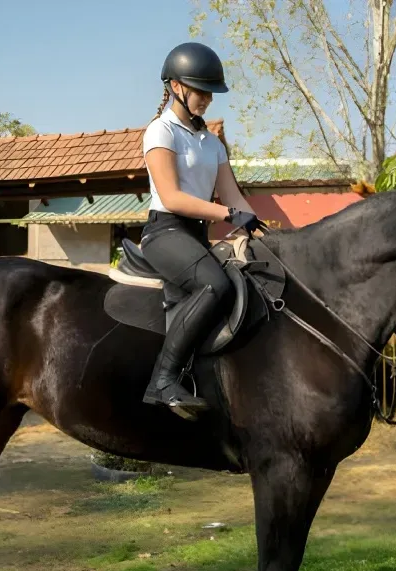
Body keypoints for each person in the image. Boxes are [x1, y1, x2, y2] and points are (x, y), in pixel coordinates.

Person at [140, 41, 263, 418]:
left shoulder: (211, 143)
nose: (208, 99)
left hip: (195, 236)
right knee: (216, 285)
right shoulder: (160, 132)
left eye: (211, 93)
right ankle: (162, 381)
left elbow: (234, 196)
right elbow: (173, 197)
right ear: (176, 86)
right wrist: (228, 214)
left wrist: (262, 232)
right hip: (164, 232)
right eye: (201, 91)